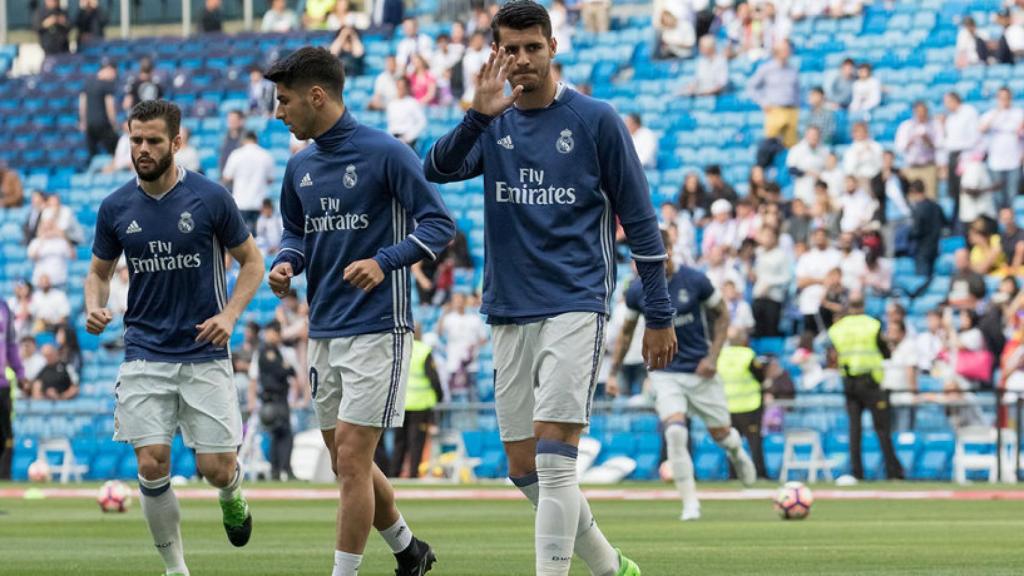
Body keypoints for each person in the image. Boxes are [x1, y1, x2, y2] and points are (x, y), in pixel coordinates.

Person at [424, 2, 673, 574]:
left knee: (556, 459)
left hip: (575, 301)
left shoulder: (596, 119)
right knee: (522, 467)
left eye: (533, 47)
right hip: (508, 307)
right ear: (496, 55)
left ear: (553, 47)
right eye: (510, 49)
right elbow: (432, 169)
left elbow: (640, 218)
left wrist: (658, 312)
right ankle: (611, 567)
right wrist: (475, 118)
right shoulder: (490, 124)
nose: (523, 59)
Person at [265, 47, 451, 576]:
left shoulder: (387, 153)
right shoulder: (299, 166)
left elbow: (439, 224)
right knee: (348, 461)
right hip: (324, 329)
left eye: (285, 101)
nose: (279, 112)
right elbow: (296, 233)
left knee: (350, 459)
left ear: (316, 96)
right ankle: (409, 550)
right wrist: (285, 263)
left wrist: (386, 261)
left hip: (378, 329)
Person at [85, 100, 265, 575]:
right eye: (136, 140)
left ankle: (231, 493)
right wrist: (94, 304)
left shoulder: (211, 198)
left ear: (177, 142)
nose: (142, 149)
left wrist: (229, 316)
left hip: (205, 351)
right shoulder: (116, 206)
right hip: (144, 351)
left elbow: (253, 263)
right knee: (151, 463)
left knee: (215, 468)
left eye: (153, 141)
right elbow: (98, 273)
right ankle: (176, 569)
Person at [609, 231, 756, 521]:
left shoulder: (695, 280)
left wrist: (713, 357)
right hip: (665, 372)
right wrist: (613, 372)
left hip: (699, 370)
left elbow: (722, 315)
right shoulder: (638, 290)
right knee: (675, 431)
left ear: (670, 250)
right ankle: (690, 503)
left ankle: (737, 451)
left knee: (722, 435)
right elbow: (625, 332)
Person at [828, 295, 904, 480]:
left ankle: (857, 473)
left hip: (849, 383)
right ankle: (893, 472)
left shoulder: (838, 328)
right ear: (863, 305)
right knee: (882, 429)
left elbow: (834, 354)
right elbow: (885, 352)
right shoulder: (872, 325)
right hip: (871, 382)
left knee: (855, 430)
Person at [248, 321, 307, 481]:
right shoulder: (261, 352)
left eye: (273, 332)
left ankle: (284, 469)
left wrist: (295, 397)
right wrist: (252, 400)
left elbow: (294, 374)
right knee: (277, 433)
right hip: (268, 398)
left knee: (285, 433)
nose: (270, 335)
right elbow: (256, 377)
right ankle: (278, 470)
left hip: (282, 398)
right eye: (269, 332)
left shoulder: (285, 352)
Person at [390, 328, 444, 478]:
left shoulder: (399, 348)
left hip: (400, 402)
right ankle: (413, 475)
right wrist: (440, 396)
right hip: (420, 405)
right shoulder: (424, 351)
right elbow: (433, 378)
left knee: (399, 442)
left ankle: (394, 474)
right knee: (416, 442)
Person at [718, 327, 767, 479]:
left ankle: (733, 475)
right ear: (744, 340)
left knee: (731, 443)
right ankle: (759, 474)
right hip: (750, 406)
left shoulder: (720, 355)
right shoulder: (748, 355)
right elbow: (760, 376)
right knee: (755, 443)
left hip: (728, 407)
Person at [746, 40, 800, 148]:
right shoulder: (766, 68)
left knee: (792, 145)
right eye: (784, 50)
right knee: (771, 143)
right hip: (774, 110)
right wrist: (763, 102)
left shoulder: (793, 69)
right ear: (777, 51)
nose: (787, 52)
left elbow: (798, 90)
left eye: (788, 50)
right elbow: (751, 87)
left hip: (792, 110)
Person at [222, 131, 275, 233]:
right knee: (259, 238)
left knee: (241, 238)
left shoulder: (236, 154)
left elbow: (226, 177)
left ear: (244, 140)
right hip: (259, 202)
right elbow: (270, 180)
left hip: (241, 202)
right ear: (256, 140)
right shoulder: (266, 155)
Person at [894, 101, 941, 200]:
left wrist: (928, 140)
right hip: (912, 167)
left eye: (923, 111)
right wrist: (911, 140)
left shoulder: (935, 125)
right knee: (913, 197)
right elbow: (899, 147)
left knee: (930, 197)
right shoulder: (906, 126)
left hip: (929, 166)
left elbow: (940, 145)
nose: (921, 114)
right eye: (918, 111)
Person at [0, 300, 24, 474]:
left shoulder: (4, 307)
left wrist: (20, 372)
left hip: (1, 383)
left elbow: (11, 344)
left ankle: (4, 479)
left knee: (5, 434)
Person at [81, 60, 120, 162]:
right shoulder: (107, 84)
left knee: (93, 154)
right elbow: (109, 106)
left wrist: (83, 121)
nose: (114, 76)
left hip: (90, 124)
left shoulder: (88, 82)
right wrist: (114, 123)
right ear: (109, 70)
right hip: (103, 124)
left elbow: (82, 103)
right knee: (115, 151)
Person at [387, 77, 428, 150]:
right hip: (394, 139)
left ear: (407, 88)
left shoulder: (412, 103)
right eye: (398, 87)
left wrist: (408, 137)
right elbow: (390, 124)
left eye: (402, 87)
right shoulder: (391, 104)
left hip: (409, 140)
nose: (400, 89)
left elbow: (422, 122)